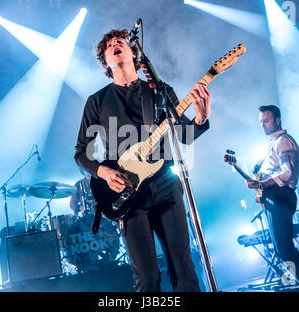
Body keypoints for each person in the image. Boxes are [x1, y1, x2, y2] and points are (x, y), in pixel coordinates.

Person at [74, 29, 211, 291]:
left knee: (183, 267)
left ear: (133, 52)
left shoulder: (159, 91)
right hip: (127, 193)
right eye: (109, 45)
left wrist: (201, 117)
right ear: (105, 59)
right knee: (147, 277)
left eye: (121, 42)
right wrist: (104, 173)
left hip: (166, 187)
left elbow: (185, 135)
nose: (115, 45)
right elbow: (81, 152)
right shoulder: (97, 101)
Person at [246, 105, 299, 291]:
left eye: (266, 120)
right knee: (282, 250)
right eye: (261, 122)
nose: (263, 125)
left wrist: (262, 184)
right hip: (274, 197)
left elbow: (288, 173)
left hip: (281, 197)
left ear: (278, 120)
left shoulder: (284, 141)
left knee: (285, 249)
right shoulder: (272, 144)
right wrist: (259, 182)